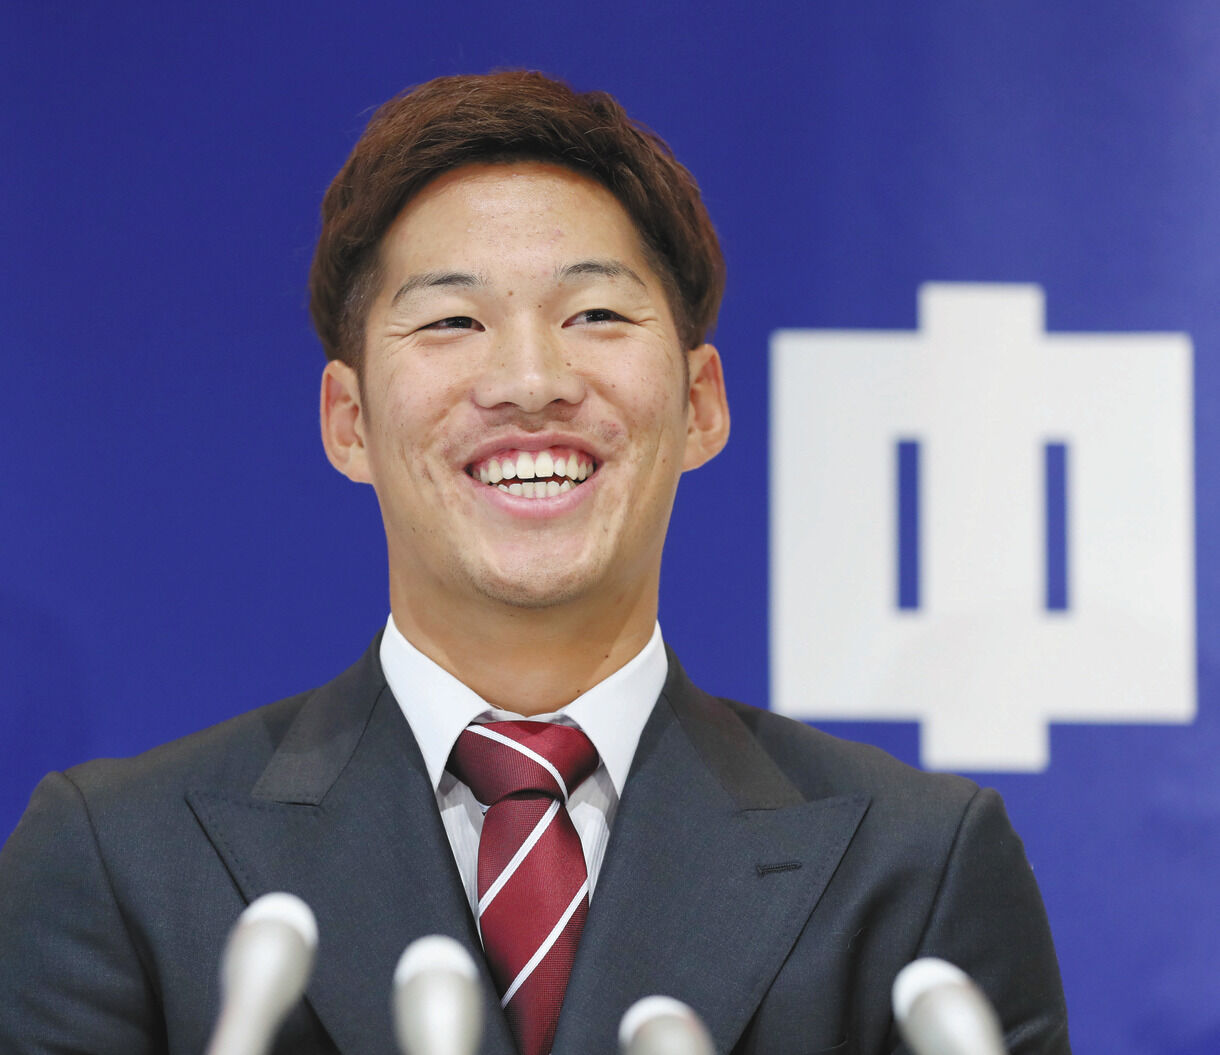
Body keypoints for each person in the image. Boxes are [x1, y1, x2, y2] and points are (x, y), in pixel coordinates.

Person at [0, 71, 1071, 1054]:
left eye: (594, 314)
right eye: (452, 319)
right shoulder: (121, 860)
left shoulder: (912, 868)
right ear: (347, 421)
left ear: (701, 404)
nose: (529, 378)